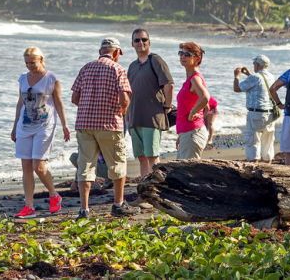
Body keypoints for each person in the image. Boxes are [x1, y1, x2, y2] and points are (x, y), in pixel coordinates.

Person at [71, 37, 136, 218]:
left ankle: (84, 209)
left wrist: (88, 107)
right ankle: (118, 204)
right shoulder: (117, 69)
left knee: (85, 166)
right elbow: (124, 98)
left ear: (101, 51)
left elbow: (74, 98)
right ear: (115, 53)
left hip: (84, 124)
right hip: (109, 124)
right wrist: (120, 111)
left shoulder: (86, 68)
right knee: (117, 164)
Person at [11, 47, 69, 219]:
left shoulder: (52, 79)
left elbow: (58, 103)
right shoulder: (22, 78)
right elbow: (20, 103)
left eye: (33, 63)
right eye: (27, 63)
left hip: (44, 126)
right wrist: (14, 126)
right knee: (26, 167)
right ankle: (29, 206)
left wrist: (65, 125)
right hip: (24, 126)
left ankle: (54, 195)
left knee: (39, 166)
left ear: (41, 59)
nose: (30, 66)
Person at [126, 29, 174, 180]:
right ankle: (145, 190)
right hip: (134, 117)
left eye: (144, 40)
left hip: (152, 117)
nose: (141, 43)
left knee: (152, 156)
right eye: (137, 40)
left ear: (149, 42)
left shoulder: (156, 60)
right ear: (132, 44)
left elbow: (169, 84)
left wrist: (167, 105)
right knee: (141, 157)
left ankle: (157, 188)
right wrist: (126, 116)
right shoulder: (132, 66)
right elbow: (127, 92)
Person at [234, 55, 277, 162]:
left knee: (252, 141)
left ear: (257, 65)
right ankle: (268, 165)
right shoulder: (271, 76)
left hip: (256, 113)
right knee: (268, 142)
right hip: (270, 113)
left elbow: (237, 89)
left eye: (254, 63)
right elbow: (260, 83)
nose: (253, 65)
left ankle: (253, 166)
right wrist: (248, 74)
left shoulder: (255, 77)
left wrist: (237, 76)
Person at [174, 42, 212, 160]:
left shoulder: (195, 78)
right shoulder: (191, 79)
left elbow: (206, 98)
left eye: (187, 54)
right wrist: (182, 135)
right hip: (188, 133)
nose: (182, 56)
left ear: (197, 58)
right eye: (181, 53)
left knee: (187, 176)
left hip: (193, 133)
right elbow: (207, 107)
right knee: (180, 173)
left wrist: (192, 113)